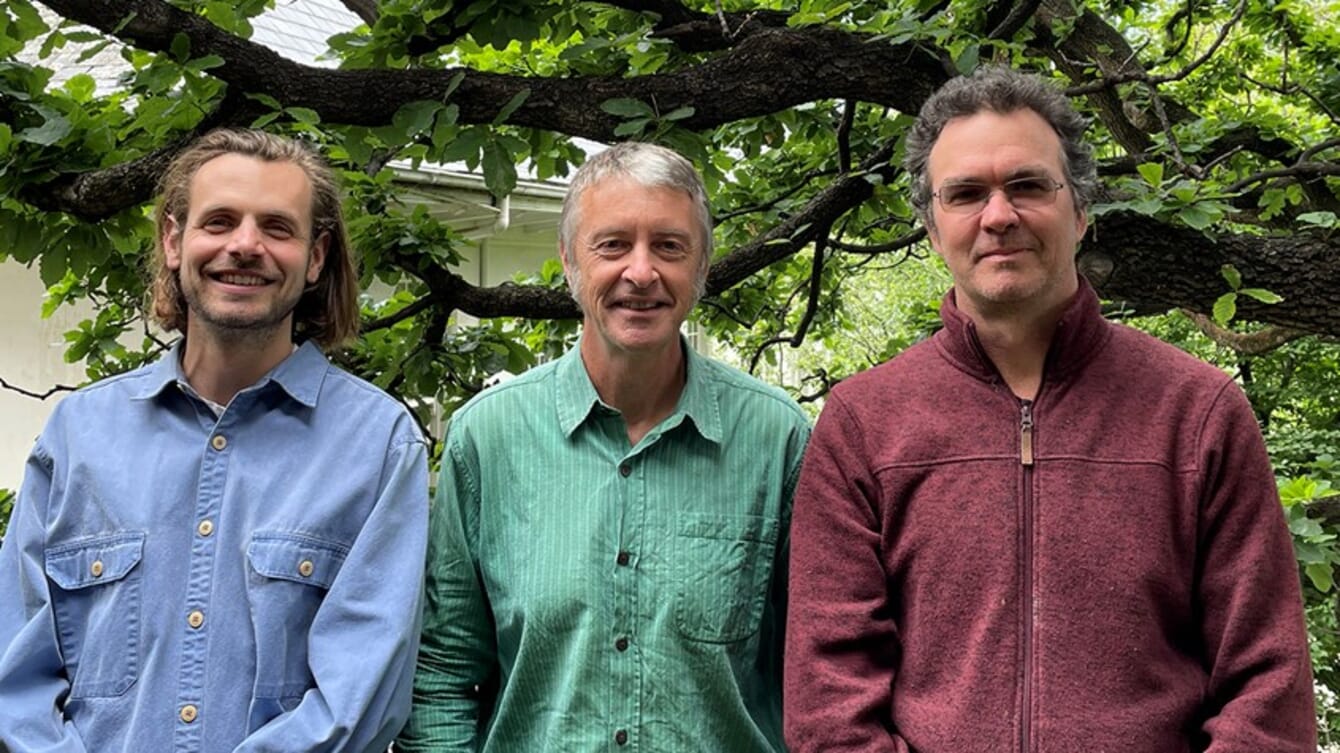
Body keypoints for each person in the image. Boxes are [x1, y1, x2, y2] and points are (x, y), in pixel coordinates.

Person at [784, 66, 1316, 752]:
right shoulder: (864, 425)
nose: (998, 216)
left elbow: (1268, 688)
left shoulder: (1199, 413)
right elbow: (829, 702)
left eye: (1029, 185)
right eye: (967, 193)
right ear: (929, 225)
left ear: (1081, 210)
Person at [0, 128, 430, 752]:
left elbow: (356, 700)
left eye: (278, 228)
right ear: (175, 241)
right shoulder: (79, 437)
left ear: (316, 257)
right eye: (220, 221)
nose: (245, 246)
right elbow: (17, 680)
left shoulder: (379, 447)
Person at [397, 142, 810, 752]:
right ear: (569, 260)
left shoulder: (777, 439)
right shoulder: (489, 437)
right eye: (612, 244)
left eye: (669, 246)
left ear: (701, 266)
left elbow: (820, 673)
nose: (640, 273)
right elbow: (444, 673)